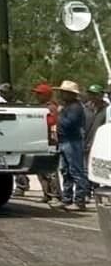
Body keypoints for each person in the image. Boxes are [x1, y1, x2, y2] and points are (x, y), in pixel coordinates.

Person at [55, 80, 89, 211]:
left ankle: (79, 201)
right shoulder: (68, 106)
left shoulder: (75, 107)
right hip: (65, 141)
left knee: (76, 171)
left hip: (72, 141)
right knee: (66, 171)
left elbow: (69, 123)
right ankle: (67, 199)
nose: (62, 94)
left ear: (71, 94)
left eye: (64, 92)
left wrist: (59, 115)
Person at [32, 83, 61, 203]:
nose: (37, 96)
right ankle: (46, 194)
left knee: (50, 171)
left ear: (47, 95)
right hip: (39, 141)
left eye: (40, 94)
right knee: (40, 169)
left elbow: (53, 124)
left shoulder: (51, 108)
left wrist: (53, 140)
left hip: (50, 141)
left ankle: (55, 195)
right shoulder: (39, 107)